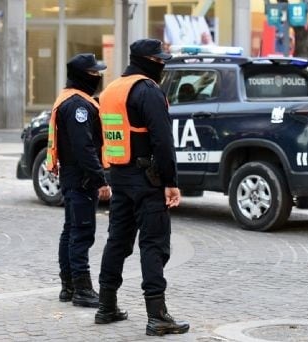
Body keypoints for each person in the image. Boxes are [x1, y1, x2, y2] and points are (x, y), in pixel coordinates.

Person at [95, 38, 189, 336]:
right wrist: (170, 183)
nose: (162, 66)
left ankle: (106, 306)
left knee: (117, 241)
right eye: (159, 61)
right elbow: (163, 141)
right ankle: (157, 315)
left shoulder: (111, 90)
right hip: (147, 179)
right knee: (153, 244)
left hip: (119, 176)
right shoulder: (147, 90)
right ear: (147, 61)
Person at [46, 53, 111, 308]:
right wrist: (100, 179)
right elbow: (84, 147)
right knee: (81, 233)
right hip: (81, 178)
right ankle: (82, 290)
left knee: (71, 231)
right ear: (83, 76)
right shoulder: (78, 106)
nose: (98, 77)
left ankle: (69, 286)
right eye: (95, 74)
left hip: (72, 176)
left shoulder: (70, 100)